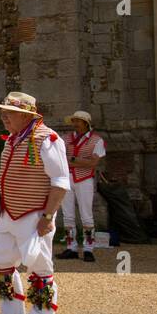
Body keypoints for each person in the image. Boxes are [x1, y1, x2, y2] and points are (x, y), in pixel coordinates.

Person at [0, 92, 69, 314]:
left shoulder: (47, 139)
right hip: (8, 212)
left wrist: (48, 215)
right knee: (1, 260)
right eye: (3, 112)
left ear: (26, 115)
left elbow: (60, 182)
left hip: (34, 213)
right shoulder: (13, 139)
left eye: (10, 113)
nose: (4, 117)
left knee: (39, 265)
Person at [59, 109, 104, 263]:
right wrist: (79, 160)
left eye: (77, 121)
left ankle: (88, 248)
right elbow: (59, 158)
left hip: (84, 179)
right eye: (74, 121)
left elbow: (94, 163)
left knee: (86, 214)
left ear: (85, 123)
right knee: (68, 214)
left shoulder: (97, 140)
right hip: (67, 178)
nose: (75, 124)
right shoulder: (65, 138)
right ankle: (71, 246)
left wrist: (72, 159)